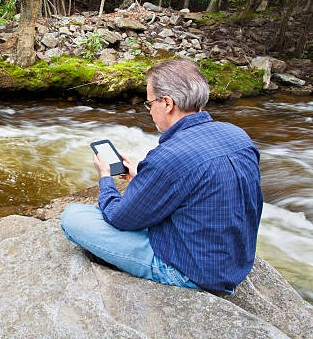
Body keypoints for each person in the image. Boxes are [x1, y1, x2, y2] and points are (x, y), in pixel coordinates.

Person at [60, 59, 264, 294]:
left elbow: (119, 218)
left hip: (194, 271)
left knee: (74, 216)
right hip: (235, 264)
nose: (150, 111)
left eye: (149, 103)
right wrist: (142, 178)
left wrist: (106, 178)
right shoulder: (238, 136)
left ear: (167, 103)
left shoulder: (169, 156)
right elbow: (201, 191)